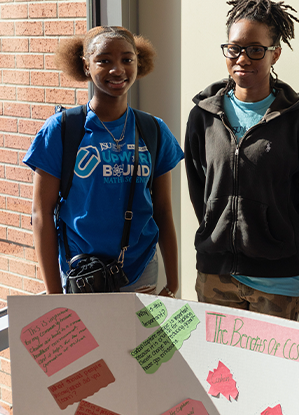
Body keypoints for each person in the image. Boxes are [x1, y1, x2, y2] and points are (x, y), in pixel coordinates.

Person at [184, 0, 299, 320]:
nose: (243, 59)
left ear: (275, 54)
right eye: (234, 49)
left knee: (273, 372)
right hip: (215, 274)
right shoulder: (203, 116)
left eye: (255, 50)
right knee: (219, 370)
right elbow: (200, 189)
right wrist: (216, 230)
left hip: (276, 281)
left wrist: (281, 246)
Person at [26, 26, 184, 296]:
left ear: (138, 62)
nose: (117, 69)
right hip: (81, 272)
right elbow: (41, 213)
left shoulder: (154, 130)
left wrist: (174, 282)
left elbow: (163, 211)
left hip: (141, 269)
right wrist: (53, 293)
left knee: (138, 340)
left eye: (126, 59)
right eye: (104, 60)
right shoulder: (62, 130)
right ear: (86, 65)